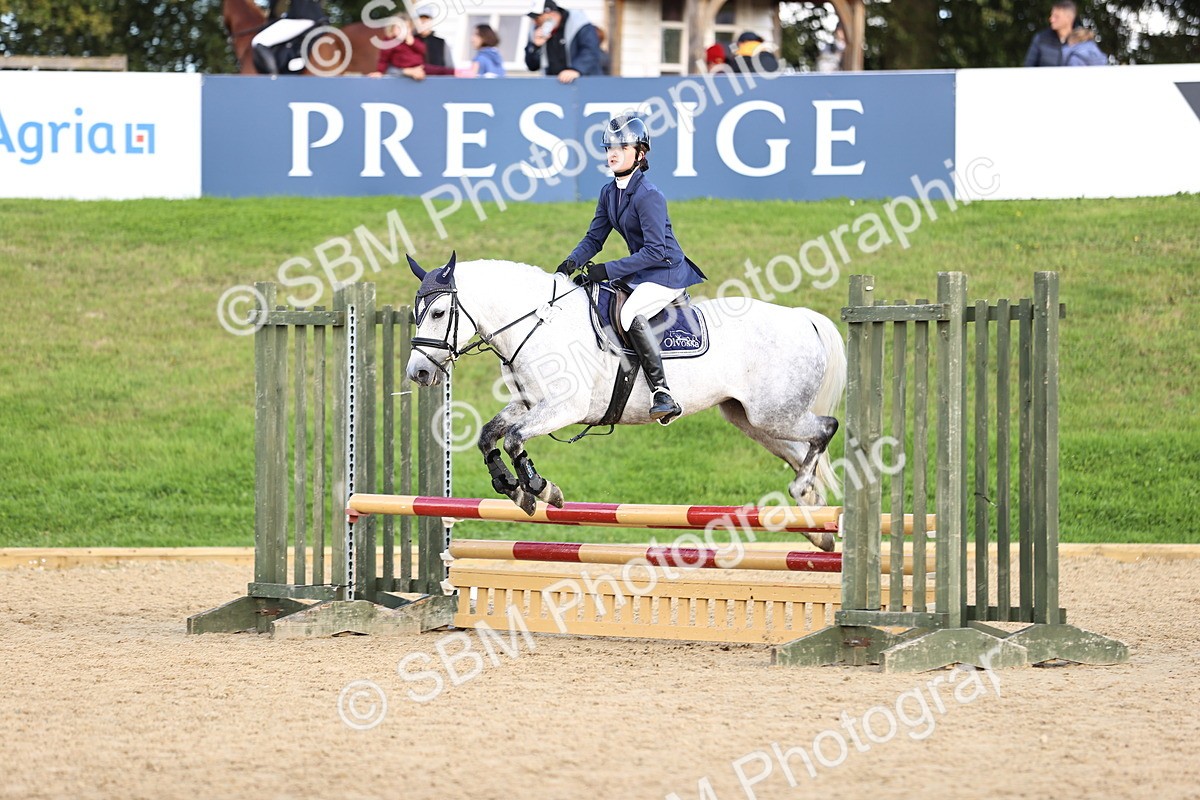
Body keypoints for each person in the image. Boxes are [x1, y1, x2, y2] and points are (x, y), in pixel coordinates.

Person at [555, 114, 706, 425]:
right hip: (642, 272)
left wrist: (606, 270)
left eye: (622, 146)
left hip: (665, 272)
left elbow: (655, 251)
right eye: (609, 146)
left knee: (627, 314)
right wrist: (571, 263)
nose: (613, 152)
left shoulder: (649, 196)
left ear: (640, 153)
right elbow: (595, 237)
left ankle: (662, 392)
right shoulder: (609, 192)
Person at [525, 0, 603, 84]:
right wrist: (536, 46)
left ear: (551, 13)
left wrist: (576, 70)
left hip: (585, 83)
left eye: (538, 17)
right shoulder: (536, 30)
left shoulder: (579, 23)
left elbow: (591, 50)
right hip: (554, 86)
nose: (535, 21)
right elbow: (532, 66)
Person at [251, 0, 328, 75]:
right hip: (316, 17)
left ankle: (274, 79)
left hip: (301, 18)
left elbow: (277, 10)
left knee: (258, 41)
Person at [1025, 0, 1078, 66]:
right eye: (1051, 15)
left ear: (1069, 18)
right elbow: (1028, 68)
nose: (1051, 19)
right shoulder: (1041, 39)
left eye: (1056, 16)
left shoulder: (1082, 42)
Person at [414, 5, 456, 76]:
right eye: (420, 19)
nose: (423, 22)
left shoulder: (441, 42)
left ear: (431, 21)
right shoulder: (410, 41)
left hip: (438, 84)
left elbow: (450, 68)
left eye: (426, 19)